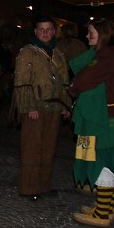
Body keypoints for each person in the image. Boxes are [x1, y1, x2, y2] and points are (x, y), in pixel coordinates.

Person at [68, 19, 114, 227]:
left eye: (91, 32)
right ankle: (112, 205)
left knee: (103, 163)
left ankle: (102, 213)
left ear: (103, 34)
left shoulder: (107, 54)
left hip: (104, 119)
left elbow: (83, 79)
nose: (88, 36)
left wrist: (72, 88)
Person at [11, 16, 71, 199]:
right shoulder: (28, 52)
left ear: (54, 31)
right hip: (35, 107)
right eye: (41, 30)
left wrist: (65, 105)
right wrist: (29, 107)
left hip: (53, 107)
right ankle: (29, 188)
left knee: (48, 148)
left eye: (49, 29)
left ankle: (44, 186)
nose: (45, 33)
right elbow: (21, 82)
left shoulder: (57, 54)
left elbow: (64, 82)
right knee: (32, 147)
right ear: (36, 32)